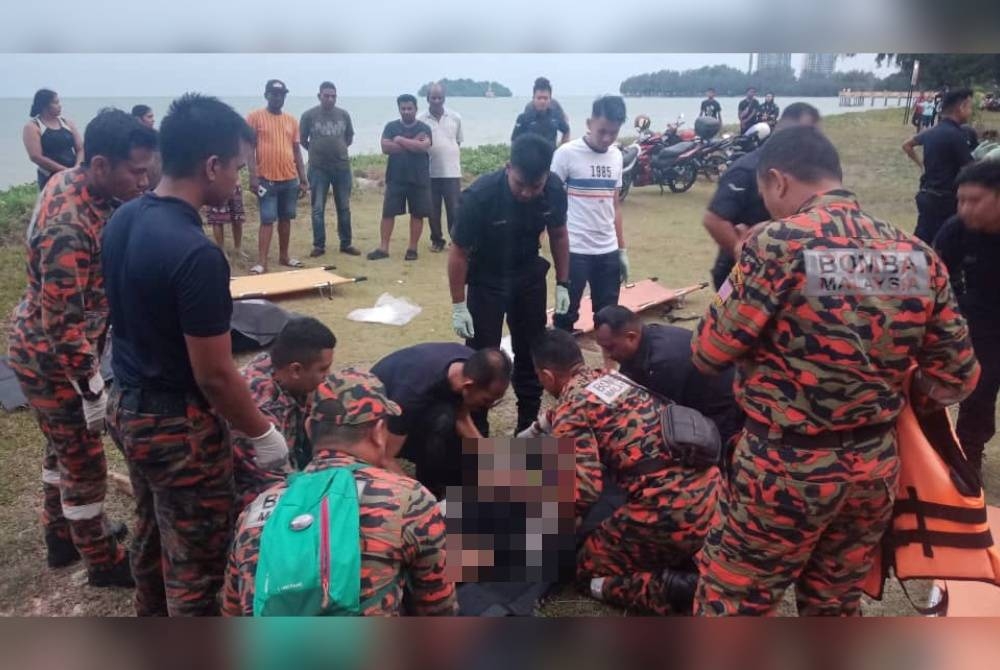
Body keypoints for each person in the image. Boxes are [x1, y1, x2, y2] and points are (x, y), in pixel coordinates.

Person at [691, 126, 980, 616]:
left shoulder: (777, 244)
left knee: (734, 604)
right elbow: (958, 376)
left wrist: (742, 266)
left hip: (784, 470)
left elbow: (708, 352)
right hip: (873, 470)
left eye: (766, 195)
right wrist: (890, 387)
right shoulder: (916, 254)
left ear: (779, 181)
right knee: (835, 606)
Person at [103, 94, 291, 617]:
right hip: (177, 427)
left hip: (127, 405)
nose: (239, 181)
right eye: (237, 168)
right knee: (199, 561)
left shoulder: (124, 219)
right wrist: (262, 433)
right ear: (211, 166)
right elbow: (214, 375)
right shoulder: (196, 253)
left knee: (151, 529)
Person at [8, 108, 157, 586]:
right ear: (100, 164)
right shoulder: (68, 225)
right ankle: (102, 560)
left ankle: (60, 536)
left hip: (57, 347)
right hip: (52, 358)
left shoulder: (84, 185)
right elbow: (61, 322)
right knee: (84, 461)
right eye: (135, 171)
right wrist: (90, 387)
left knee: (62, 447)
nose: (143, 180)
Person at [222, 369, 457, 616]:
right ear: (379, 431)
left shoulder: (254, 511)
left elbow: (231, 610)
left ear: (309, 429)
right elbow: (438, 608)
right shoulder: (410, 500)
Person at [532, 329, 722, 615]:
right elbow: (565, 414)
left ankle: (676, 592)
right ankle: (679, 556)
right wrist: (530, 435)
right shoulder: (612, 378)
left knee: (584, 570)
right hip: (711, 495)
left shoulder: (571, 408)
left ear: (546, 376)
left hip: (671, 510)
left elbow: (582, 490)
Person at [448, 133, 569, 434]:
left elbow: (558, 234)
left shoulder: (554, 189)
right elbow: (459, 252)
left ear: (546, 176)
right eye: (520, 184)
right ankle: (478, 430)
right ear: (508, 168)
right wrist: (459, 304)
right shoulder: (480, 196)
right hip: (486, 278)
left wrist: (563, 283)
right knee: (482, 356)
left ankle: (527, 427)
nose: (527, 193)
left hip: (528, 273)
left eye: (535, 186)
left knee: (531, 351)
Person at [702, 102, 821, 289]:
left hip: (788, 271)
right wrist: (744, 255)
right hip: (740, 270)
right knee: (729, 305)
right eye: (809, 134)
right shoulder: (748, 168)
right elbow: (713, 219)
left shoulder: (808, 169)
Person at [370, 344, 511, 499]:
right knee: (442, 420)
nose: (489, 406)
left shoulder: (472, 367)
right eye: (486, 400)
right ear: (468, 386)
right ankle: (431, 486)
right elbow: (385, 458)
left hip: (417, 401)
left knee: (456, 437)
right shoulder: (412, 395)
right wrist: (421, 497)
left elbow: (462, 418)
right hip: (375, 420)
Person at [592, 305, 744, 449]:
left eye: (610, 348)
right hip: (706, 400)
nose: (608, 355)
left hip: (723, 414)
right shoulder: (645, 338)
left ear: (631, 337)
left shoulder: (661, 364)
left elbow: (663, 419)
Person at [933, 161, 1000, 477]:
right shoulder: (956, 229)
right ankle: (968, 456)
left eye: (974, 200)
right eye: (960, 200)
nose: (964, 209)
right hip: (983, 322)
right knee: (979, 392)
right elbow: (931, 277)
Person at [233, 317, 336, 510]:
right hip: (252, 492)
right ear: (295, 370)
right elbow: (275, 481)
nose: (327, 376)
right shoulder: (262, 410)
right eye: (323, 369)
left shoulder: (278, 366)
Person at [550, 96, 628, 337]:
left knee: (609, 319)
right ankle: (562, 357)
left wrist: (621, 249)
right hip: (575, 250)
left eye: (613, 133)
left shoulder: (616, 156)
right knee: (565, 315)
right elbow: (550, 202)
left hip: (607, 250)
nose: (606, 138)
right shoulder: (566, 154)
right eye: (602, 131)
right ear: (589, 123)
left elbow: (614, 205)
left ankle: (608, 362)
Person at [246, 79, 309, 274]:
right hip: (266, 180)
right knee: (267, 220)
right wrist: (253, 176)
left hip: (289, 179)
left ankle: (284, 256)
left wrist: (303, 179)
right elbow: (249, 149)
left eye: (281, 94)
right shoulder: (255, 117)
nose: (278, 98)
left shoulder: (291, 120)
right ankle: (262, 262)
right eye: (274, 94)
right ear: (266, 95)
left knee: (286, 218)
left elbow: (296, 151)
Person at [902, 88, 976, 244]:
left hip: (926, 194)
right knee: (945, 242)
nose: (970, 112)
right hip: (945, 199)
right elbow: (971, 169)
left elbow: (907, 145)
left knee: (921, 241)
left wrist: (921, 165)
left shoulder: (932, 131)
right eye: (970, 107)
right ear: (961, 107)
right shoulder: (957, 135)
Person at [367, 94, 433, 262]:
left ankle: (412, 248)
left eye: (409, 108)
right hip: (395, 177)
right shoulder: (391, 126)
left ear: (416, 109)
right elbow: (385, 147)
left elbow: (423, 147)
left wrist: (399, 139)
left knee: (417, 214)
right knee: (388, 213)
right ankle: (383, 248)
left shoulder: (424, 128)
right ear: (399, 109)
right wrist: (412, 143)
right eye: (403, 108)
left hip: (418, 178)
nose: (406, 111)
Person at [299, 81, 358, 258]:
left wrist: (338, 150)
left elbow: (349, 138)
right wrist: (317, 151)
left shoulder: (343, 115)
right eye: (327, 96)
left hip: (341, 168)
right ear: (319, 96)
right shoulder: (308, 115)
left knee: (344, 207)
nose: (330, 99)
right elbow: (302, 140)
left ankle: (346, 243)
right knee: (318, 208)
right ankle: (319, 245)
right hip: (318, 169)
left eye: (333, 96)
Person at [419, 82, 464, 253]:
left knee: (454, 209)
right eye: (433, 98)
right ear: (427, 98)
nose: (436, 101)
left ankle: (456, 240)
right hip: (429, 172)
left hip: (452, 171)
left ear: (444, 98)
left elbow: (458, 141)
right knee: (432, 209)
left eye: (439, 97)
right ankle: (437, 240)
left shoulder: (455, 117)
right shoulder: (420, 119)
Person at [22, 89, 83, 189]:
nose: (60, 106)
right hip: (49, 177)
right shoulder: (33, 127)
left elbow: (80, 148)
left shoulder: (67, 123)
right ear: (45, 106)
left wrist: (77, 168)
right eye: (56, 103)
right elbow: (35, 156)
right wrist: (64, 170)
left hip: (73, 174)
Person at [511, 77, 570, 146]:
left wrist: (562, 148)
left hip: (551, 151)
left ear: (550, 99)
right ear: (533, 98)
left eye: (545, 98)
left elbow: (566, 129)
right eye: (539, 98)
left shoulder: (555, 111)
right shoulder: (526, 113)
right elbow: (515, 139)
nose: (542, 101)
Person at [206, 183, 248, 261]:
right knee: (217, 219)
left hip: (234, 185)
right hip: (216, 185)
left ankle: (237, 248)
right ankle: (221, 250)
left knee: (237, 217)